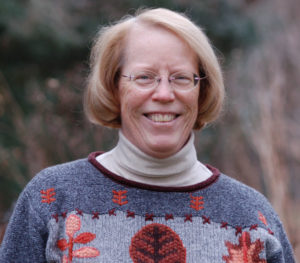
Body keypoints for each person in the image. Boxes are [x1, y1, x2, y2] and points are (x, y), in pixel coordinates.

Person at [0, 8, 295, 263]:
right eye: (144, 77)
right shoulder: (52, 200)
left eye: (181, 77)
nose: (164, 94)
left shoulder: (252, 219)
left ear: (201, 90)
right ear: (114, 87)